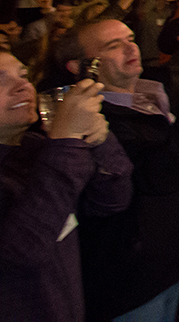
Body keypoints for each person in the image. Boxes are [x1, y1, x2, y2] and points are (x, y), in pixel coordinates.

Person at [58, 19, 179, 322]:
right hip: (131, 275)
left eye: (130, 38)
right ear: (79, 65)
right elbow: (161, 175)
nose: (131, 47)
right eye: (112, 45)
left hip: (170, 261)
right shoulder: (91, 117)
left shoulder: (150, 96)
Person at [1, 47, 133, 322]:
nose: (22, 86)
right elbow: (22, 251)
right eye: (0, 81)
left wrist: (99, 140)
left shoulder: (34, 147)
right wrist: (66, 141)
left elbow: (112, 200)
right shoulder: (51, 151)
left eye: (23, 75)